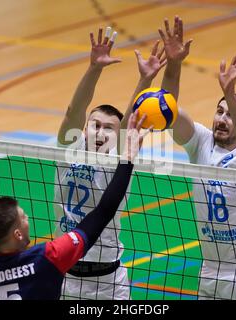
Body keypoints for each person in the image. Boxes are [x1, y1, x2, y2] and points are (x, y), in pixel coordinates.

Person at [0, 110, 149, 300]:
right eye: (23, 217)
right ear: (17, 232)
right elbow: (104, 210)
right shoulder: (47, 258)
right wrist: (128, 159)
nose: (28, 218)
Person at [157, 16, 236, 299]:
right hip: (212, 275)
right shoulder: (201, 142)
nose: (222, 119)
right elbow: (168, 112)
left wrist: (230, 92)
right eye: (219, 111)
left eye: (230, 114)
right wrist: (174, 62)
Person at [55, 26, 166, 300]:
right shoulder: (68, 148)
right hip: (63, 276)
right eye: (95, 125)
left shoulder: (118, 159)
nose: (100, 132)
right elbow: (74, 111)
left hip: (107, 284)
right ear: (84, 129)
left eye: (108, 128)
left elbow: (131, 120)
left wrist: (145, 81)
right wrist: (94, 68)